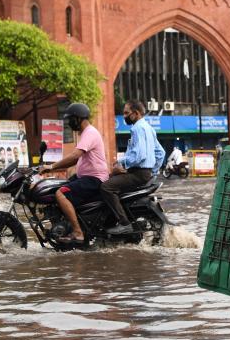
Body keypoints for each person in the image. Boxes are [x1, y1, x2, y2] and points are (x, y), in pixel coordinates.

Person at [38, 103, 108, 244]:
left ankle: (78, 233)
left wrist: (51, 167)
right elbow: (75, 161)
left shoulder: (90, 133)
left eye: (70, 119)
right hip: (86, 176)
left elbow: (75, 156)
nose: (69, 123)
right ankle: (65, 225)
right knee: (54, 188)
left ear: (78, 118)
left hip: (94, 179)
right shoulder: (85, 134)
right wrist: (51, 168)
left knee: (61, 193)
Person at [103, 100, 165, 236]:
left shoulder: (137, 128)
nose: (124, 116)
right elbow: (161, 153)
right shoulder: (149, 128)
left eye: (126, 113)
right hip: (144, 174)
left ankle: (124, 224)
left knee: (106, 187)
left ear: (136, 113)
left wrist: (122, 164)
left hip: (137, 174)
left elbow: (140, 155)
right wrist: (152, 172)